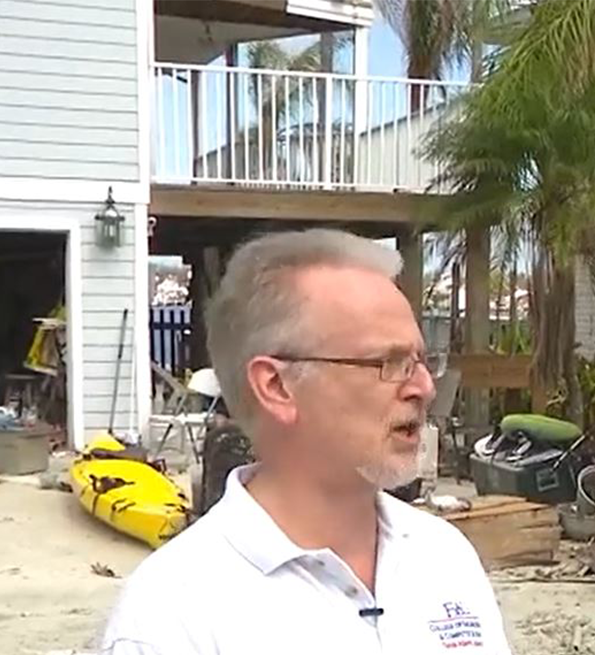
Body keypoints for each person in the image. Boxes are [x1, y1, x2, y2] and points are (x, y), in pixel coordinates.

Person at [101, 229, 511, 654]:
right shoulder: (170, 615)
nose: (424, 387)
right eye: (388, 363)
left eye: (421, 361)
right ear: (277, 386)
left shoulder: (445, 556)